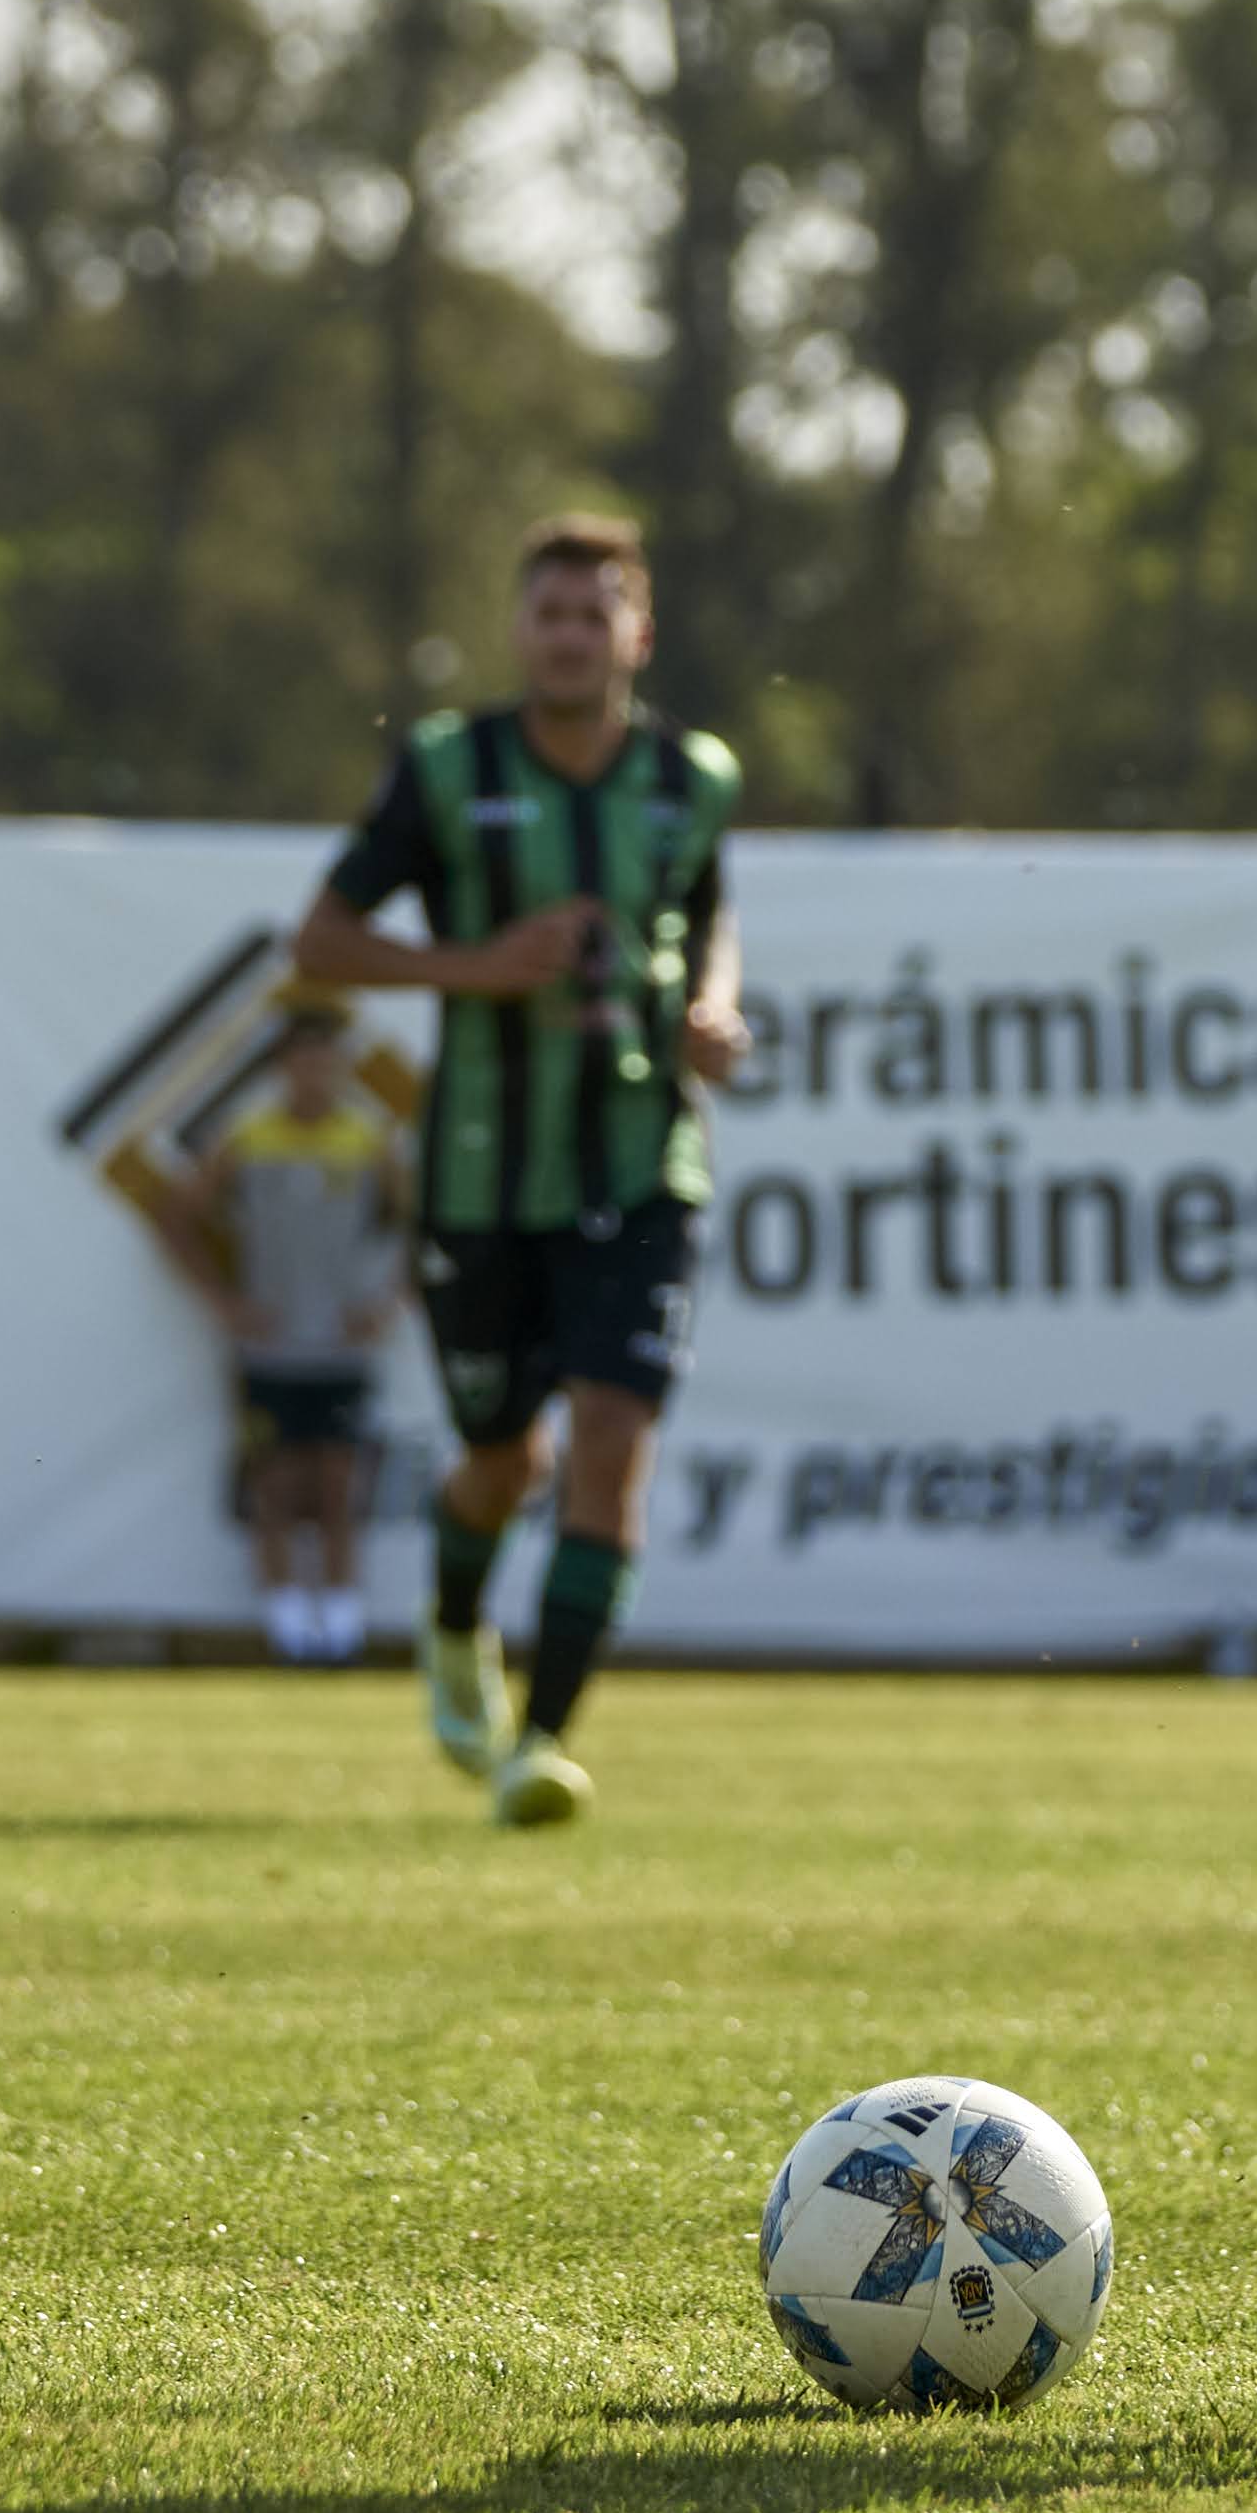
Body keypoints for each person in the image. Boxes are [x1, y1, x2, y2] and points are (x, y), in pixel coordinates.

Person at [293, 514, 746, 1828]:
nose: (568, 635)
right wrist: (470, 968)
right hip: (483, 1177)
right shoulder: (448, 769)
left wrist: (712, 1006)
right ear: (518, 630)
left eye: (592, 613)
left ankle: (535, 1743)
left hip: (643, 1160)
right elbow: (319, 940)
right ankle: (452, 1632)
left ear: (636, 631)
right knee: (503, 1459)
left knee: (609, 1441)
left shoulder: (689, 777)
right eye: (546, 612)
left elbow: (705, 914)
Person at [161, 991, 409, 1667]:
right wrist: (222, 1301)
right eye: (304, 1061)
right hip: (268, 1346)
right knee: (273, 1486)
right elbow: (177, 1218)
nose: (316, 1075)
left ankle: (341, 1624)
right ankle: (288, 1628)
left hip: (339, 1346)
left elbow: (425, 1228)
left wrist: (390, 1304)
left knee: (337, 1485)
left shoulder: (368, 1141)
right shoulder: (248, 1138)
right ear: (283, 1066)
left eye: (329, 1061)